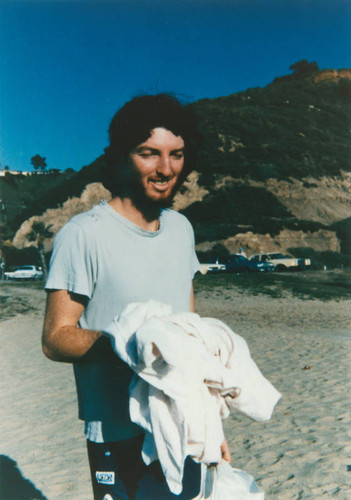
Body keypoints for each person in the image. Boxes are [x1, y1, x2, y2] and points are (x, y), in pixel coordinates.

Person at [42, 94, 230, 500]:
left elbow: (190, 335)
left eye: (176, 155)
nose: (166, 169)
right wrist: (129, 344)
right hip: (116, 430)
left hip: (182, 425)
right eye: (149, 154)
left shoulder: (181, 229)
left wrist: (209, 423)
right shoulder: (83, 234)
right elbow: (55, 337)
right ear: (122, 156)